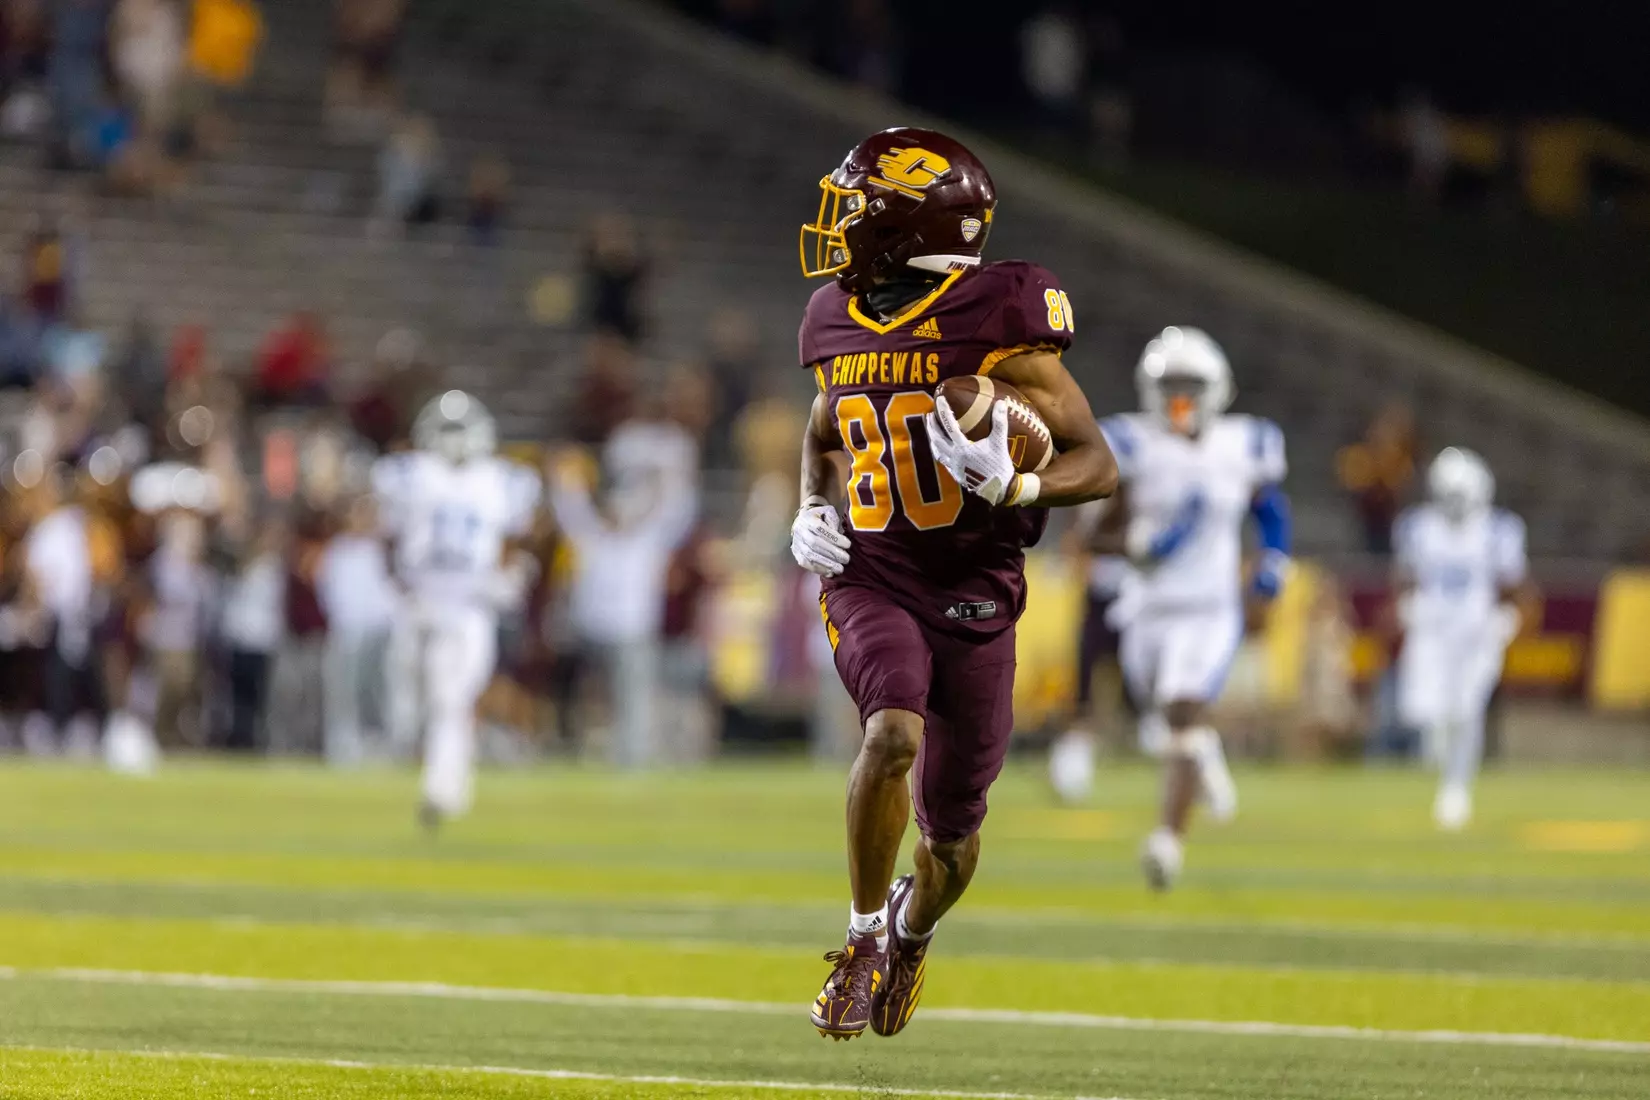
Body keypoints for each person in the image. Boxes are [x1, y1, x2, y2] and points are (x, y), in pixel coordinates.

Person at [792, 127, 1117, 1040]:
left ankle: (910, 927)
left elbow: (1097, 462)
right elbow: (823, 430)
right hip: (873, 573)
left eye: (860, 208)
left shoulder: (995, 320)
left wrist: (1018, 484)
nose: (843, 225)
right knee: (891, 730)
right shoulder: (834, 317)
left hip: (976, 591)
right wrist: (810, 507)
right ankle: (860, 945)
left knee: (953, 843)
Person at [1091, 327, 1291, 891]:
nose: (1180, 395)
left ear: (1216, 387)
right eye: (1170, 383)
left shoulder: (1244, 443)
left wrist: (1272, 563)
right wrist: (1135, 545)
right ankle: (1203, 751)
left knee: (1180, 711)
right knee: (1160, 719)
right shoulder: (1131, 442)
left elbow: (1270, 510)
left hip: (1208, 608)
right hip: (1146, 609)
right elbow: (1094, 531)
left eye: (1190, 383)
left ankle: (1167, 841)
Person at [375, 391, 540, 828]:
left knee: (452, 700)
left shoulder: (503, 480)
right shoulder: (409, 474)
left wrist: (505, 577)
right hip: (420, 604)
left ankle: (442, 789)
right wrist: (396, 580)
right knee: (411, 696)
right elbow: (386, 533)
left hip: (468, 607)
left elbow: (518, 537)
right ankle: (447, 780)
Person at [1392, 448, 1527, 830]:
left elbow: (1514, 585)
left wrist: (1508, 619)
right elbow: (1404, 576)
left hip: (1476, 633)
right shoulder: (1418, 526)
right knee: (1422, 711)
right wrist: (1406, 605)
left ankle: (1455, 789)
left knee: (1467, 710)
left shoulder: (1499, 528)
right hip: (1432, 632)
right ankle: (1443, 767)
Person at [1047, 494, 1130, 803]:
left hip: (1133, 601)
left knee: (1138, 689)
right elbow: (1077, 539)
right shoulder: (1090, 502)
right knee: (1084, 683)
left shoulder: (1130, 493)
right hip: (1098, 602)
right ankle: (1074, 759)